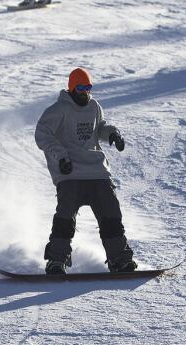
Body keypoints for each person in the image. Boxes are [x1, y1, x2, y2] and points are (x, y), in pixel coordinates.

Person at [34, 67, 136, 274]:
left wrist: (112, 135)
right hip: (70, 173)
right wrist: (61, 156)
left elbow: (100, 128)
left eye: (88, 88)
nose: (85, 92)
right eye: (81, 88)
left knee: (111, 215)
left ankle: (119, 260)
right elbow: (42, 134)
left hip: (97, 172)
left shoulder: (94, 107)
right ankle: (56, 261)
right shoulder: (58, 110)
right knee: (65, 217)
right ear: (71, 88)